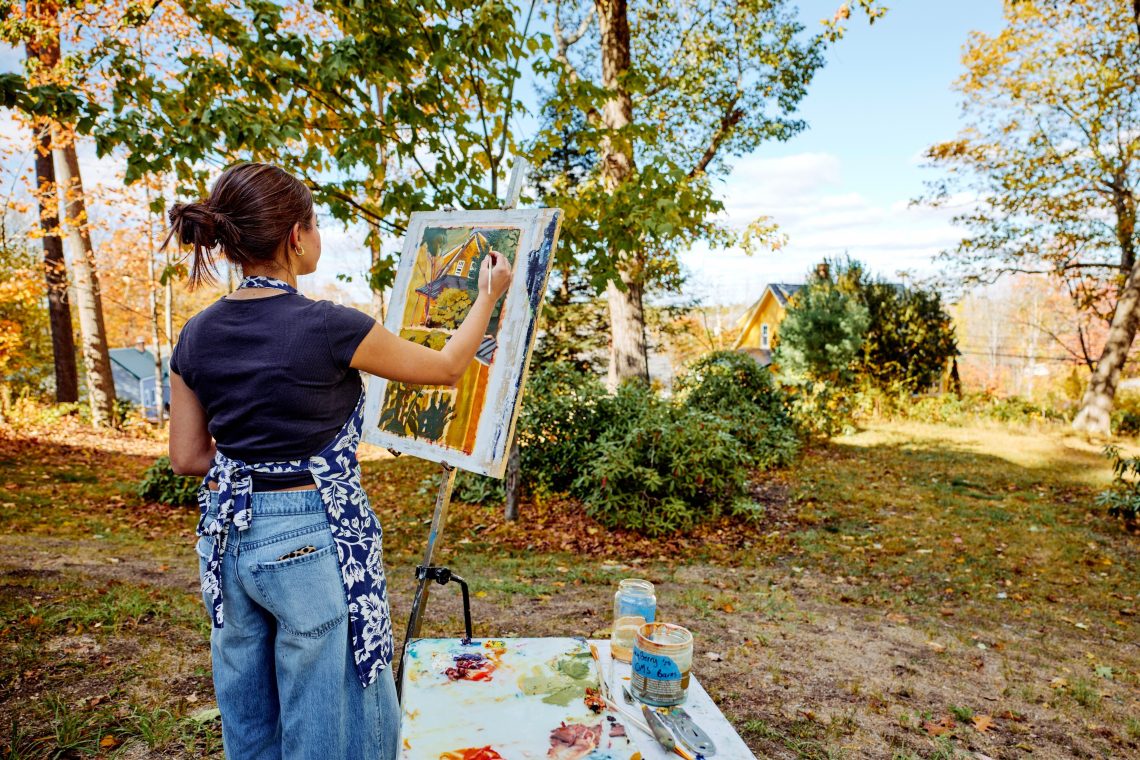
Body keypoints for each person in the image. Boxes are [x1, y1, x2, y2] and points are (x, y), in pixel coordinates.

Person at [166, 162, 512, 760]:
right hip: (309, 534)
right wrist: (487, 296)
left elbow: (188, 456)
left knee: (250, 706)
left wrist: (257, 457)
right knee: (327, 711)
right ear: (294, 237)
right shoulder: (329, 326)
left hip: (226, 539)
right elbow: (448, 368)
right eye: (317, 226)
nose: (319, 238)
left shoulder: (196, 334)